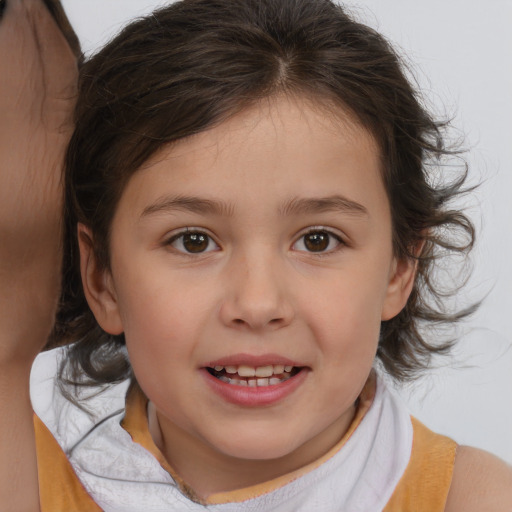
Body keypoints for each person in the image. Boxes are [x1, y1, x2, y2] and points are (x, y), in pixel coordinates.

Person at [1, 0, 511, 510]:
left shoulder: (470, 498)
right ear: (101, 278)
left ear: (400, 268)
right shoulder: (26, 476)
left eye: (318, 240)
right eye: (193, 240)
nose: (258, 302)